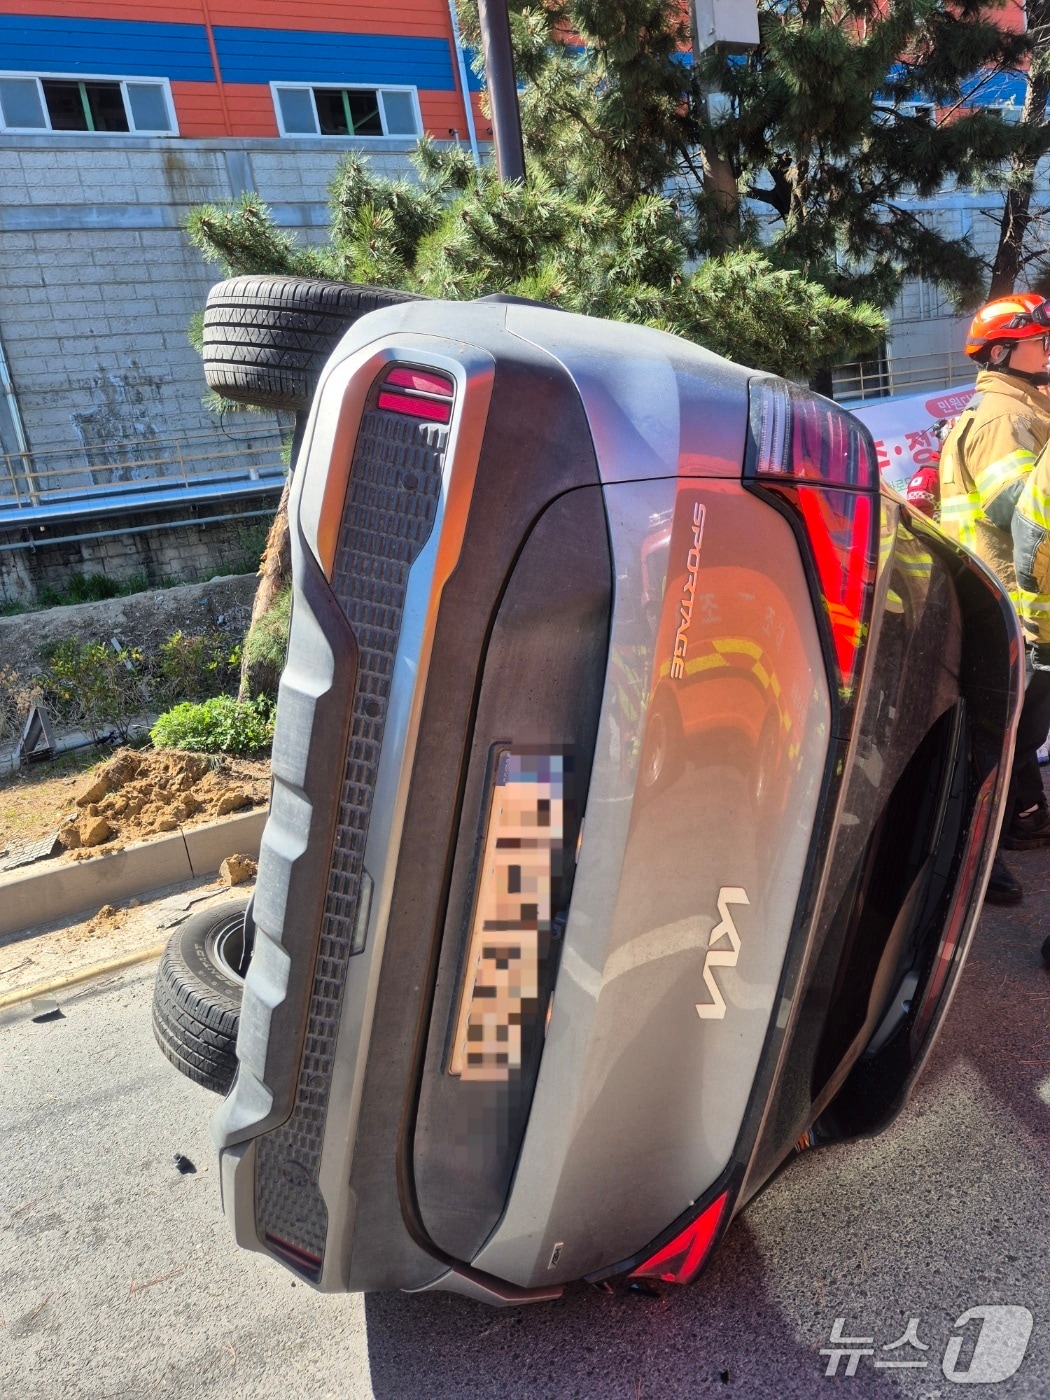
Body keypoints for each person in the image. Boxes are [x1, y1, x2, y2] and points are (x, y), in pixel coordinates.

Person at [938, 292, 1050, 905]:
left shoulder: (1021, 407)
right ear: (1006, 352)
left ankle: (1019, 820)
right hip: (1009, 608)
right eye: (1041, 340)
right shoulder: (1005, 419)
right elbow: (1022, 512)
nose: (1048, 349)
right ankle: (967, 868)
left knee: (1010, 738)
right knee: (993, 747)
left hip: (1007, 603)